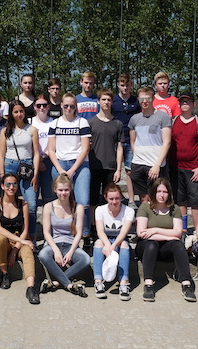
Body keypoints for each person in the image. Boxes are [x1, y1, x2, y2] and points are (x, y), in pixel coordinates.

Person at [135, 177, 196, 302]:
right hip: (146, 248)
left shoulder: (175, 209)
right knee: (152, 244)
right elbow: (141, 233)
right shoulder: (145, 207)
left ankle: (186, 284)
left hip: (166, 248)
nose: (162, 195)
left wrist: (155, 230)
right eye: (159, 191)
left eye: (165, 192)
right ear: (153, 192)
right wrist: (169, 235)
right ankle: (148, 285)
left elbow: (178, 233)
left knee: (178, 245)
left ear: (169, 193)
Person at [48, 92, 91, 247]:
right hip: (60, 164)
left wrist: (72, 170)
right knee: (61, 200)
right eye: (65, 105)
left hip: (79, 165)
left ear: (76, 107)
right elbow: (51, 150)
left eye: (72, 106)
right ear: (61, 106)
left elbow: (85, 149)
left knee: (83, 201)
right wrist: (60, 169)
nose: (68, 108)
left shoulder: (82, 123)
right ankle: (60, 234)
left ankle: (85, 235)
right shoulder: (54, 124)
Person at [0, 173, 39, 304]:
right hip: (4, 241)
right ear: (2, 186)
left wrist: (15, 250)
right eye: (8, 184)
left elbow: (25, 230)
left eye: (14, 184)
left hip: (19, 240)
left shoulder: (23, 203)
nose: (11, 187)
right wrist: (22, 241)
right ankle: (4, 274)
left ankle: (31, 287)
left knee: (28, 251)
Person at [38, 174, 90, 297]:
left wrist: (71, 252)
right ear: (55, 190)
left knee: (86, 259)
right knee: (43, 254)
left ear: (70, 189)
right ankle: (68, 284)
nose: (63, 193)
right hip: (53, 243)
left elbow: (78, 233)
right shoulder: (48, 207)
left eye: (66, 190)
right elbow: (46, 232)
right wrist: (56, 250)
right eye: (60, 190)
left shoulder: (78, 207)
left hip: (70, 243)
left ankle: (56, 283)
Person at [0, 100, 40, 240]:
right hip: (10, 165)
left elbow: (36, 153)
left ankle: (31, 235)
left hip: (27, 166)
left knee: (31, 203)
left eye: (21, 111)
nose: (19, 114)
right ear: (11, 113)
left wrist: (35, 173)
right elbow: (1, 154)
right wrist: (2, 174)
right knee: (10, 201)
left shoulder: (32, 129)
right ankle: (10, 234)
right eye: (16, 111)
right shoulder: (5, 131)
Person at [168, 92, 198, 231]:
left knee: (196, 202)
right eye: (182, 101)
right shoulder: (173, 121)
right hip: (175, 167)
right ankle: (183, 229)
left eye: (188, 101)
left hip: (193, 169)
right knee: (180, 201)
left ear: (193, 104)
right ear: (179, 104)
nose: (185, 104)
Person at [129, 86, 172, 203]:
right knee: (143, 198)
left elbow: (167, 142)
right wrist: (137, 156)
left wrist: (157, 165)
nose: (144, 101)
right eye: (141, 99)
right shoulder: (134, 119)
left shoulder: (163, 117)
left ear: (153, 98)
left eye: (147, 98)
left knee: (157, 197)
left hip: (155, 165)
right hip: (138, 164)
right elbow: (133, 142)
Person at [92, 183, 135, 301]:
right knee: (98, 244)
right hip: (105, 239)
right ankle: (98, 282)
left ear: (121, 197)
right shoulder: (100, 210)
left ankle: (123, 283)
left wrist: (113, 246)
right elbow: (100, 231)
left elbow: (124, 232)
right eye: (111, 199)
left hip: (120, 240)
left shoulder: (129, 210)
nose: (114, 201)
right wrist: (107, 245)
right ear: (105, 198)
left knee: (125, 245)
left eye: (117, 198)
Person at [88, 89, 123, 233]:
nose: (106, 102)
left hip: (110, 167)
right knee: (93, 201)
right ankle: (93, 229)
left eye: (109, 100)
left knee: (110, 200)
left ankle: (108, 229)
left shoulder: (118, 123)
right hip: (93, 166)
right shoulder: (90, 122)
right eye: (103, 99)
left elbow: (120, 147)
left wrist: (118, 169)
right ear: (98, 101)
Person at [111, 74, 140, 207]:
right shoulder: (113, 100)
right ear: (118, 85)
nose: (125, 88)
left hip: (131, 140)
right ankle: (112, 197)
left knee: (129, 170)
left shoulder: (136, 101)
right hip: (115, 140)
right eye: (122, 85)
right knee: (112, 170)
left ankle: (132, 200)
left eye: (127, 85)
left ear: (131, 86)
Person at [29, 94, 55, 204]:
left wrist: (44, 156)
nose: (41, 108)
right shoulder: (29, 122)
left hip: (49, 160)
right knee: (32, 198)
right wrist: (38, 160)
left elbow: (55, 142)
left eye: (44, 105)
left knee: (49, 197)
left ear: (49, 106)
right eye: (38, 105)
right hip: (32, 160)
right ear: (34, 107)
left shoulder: (53, 122)